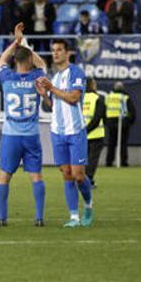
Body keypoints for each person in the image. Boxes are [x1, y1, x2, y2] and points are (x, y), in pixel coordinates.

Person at [36, 39, 94, 228]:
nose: (55, 53)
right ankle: (74, 216)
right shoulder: (54, 77)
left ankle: (88, 205)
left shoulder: (75, 72)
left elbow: (74, 98)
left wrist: (51, 88)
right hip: (57, 131)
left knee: (79, 175)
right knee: (67, 173)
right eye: (53, 50)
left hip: (75, 130)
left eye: (59, 50)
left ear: (67, 53)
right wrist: (44, 94)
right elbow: (53, 106)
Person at [0, 23, 48, 227]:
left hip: (11, 135)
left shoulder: (7, 77)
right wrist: (25, 44)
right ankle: (39, 217)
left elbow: (1, 60)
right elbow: (41, 63)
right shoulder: (38, 77)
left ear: (15, 62)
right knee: (36, 176)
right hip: (31, 135)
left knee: (4, 176)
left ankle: (2, 217)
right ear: (29, 61)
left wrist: (15, 42)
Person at [105, 82, 136, 167]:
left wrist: (106, 122)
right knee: (123, 143)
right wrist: (130, 122)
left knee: (111, 143)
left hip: (110, 122)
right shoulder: (125, 97)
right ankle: (123, 162)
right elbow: (132, 112)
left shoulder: (108, 97)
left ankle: (109, 162)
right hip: (122, 121)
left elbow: (104, 109)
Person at [82, 78, 107, 187]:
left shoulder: (79, 98)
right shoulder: (99, 98)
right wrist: (87, 130)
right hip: (96, 135)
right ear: (93, 85)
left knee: (83, 159)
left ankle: (82, 179)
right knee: (92, 160)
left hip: (81, 134)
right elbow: (97, 119)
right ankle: (88, 180)